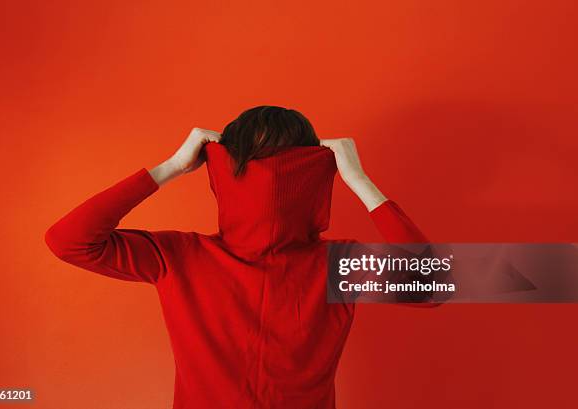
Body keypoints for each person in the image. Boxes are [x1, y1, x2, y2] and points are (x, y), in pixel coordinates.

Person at [45, 105, 429, 408]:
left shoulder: (340, 265)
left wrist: (359, 179)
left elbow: (429, 281)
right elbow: (69, 241)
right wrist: (171, 166)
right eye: (256, 161)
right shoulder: (179, 256)